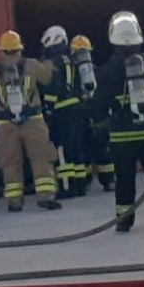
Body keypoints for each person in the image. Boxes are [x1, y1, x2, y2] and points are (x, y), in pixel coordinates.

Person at [93, 11, 144, 231]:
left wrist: (102, 126)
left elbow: (99, 104)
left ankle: (124, 221)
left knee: (124, 179)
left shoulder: (108, 69)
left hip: (122, 136)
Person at [0, 30, 61, 211]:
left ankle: (14, 201)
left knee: (10, 162)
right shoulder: (32, 65)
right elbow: (49, 78)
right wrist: (51, 62)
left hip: (6, 124)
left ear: (1, 51)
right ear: (20, 50)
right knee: (41, 158)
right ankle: (46, 197)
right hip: (34, 120)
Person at [39, 25, 87, 197]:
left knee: (61, 149)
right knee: (75, 147)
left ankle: (67, 187)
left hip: (62, 110)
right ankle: (81, 185)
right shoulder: (72, 59)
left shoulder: (53, 63)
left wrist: (48, 108)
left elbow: (54, 88)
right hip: (77, 108)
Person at [71, 34, 115, 192]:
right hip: (98, 114)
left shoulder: (72, 73)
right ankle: (109, 180)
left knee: (84, 149)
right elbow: (106, 91)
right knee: (103, 147)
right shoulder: (98, 71)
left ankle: (85, 182)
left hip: (81, 114)